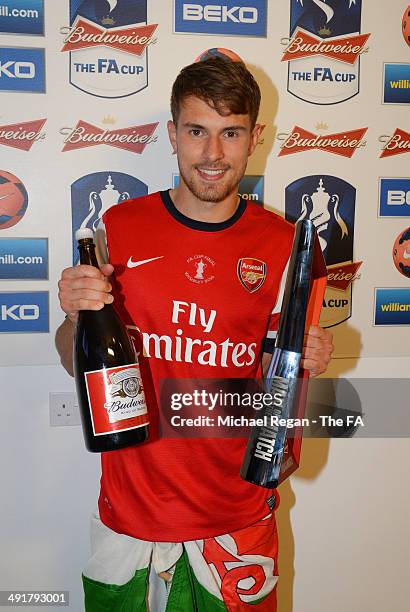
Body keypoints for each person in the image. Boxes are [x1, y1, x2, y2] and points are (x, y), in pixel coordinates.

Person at [56, 56, 333, 612]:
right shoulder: (119, 228)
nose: (212, 154)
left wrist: (309, 358)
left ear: (255, 136)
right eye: (197, 132)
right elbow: (75, 360)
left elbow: (284, 388)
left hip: (239, 512)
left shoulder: (287, 246)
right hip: (132, 510)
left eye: (230, 132)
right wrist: (71, 317)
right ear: (173, 135)